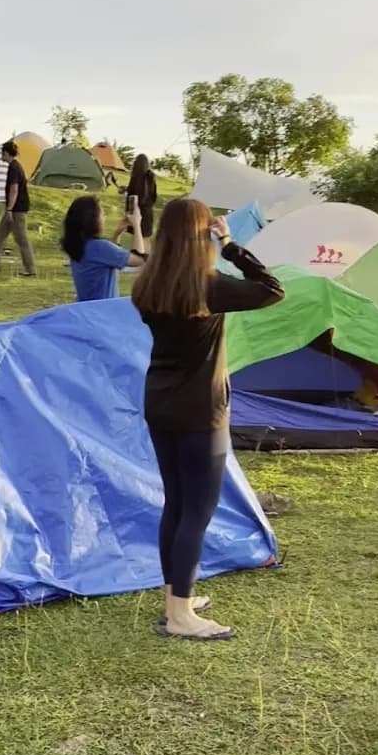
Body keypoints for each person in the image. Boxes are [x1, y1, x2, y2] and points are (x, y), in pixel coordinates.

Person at [132, 198, 284, 641]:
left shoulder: (148, 285)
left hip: (160, 404)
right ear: (203, 236)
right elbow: (272, 289)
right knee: (196, 511)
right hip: (201, 411)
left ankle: (175, 599)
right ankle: (180, 616)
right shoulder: (209, 285)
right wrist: (231, 245)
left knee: (177, 505)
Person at [61, 194, 147, 301]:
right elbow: (139, 259)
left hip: (86, 310)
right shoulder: (99, 247)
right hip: (103, 311)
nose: (104, 218)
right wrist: (137, 225)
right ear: (92, 219)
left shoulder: (78, 246)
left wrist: (117, 234)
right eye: (102, 214)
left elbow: (111, 260)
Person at [0, 140, 36, 276]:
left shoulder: (14, 168)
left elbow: (14, 190)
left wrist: (10, 209)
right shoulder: (14, 166)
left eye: (2, 153)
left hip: (17, 210)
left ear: (6, 153)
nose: (1, 156)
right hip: (11, 209)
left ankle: (30, 269)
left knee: (21, 239)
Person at [126, 153, 158, 252]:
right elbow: (154, 197)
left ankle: (137, 264)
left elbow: (131, 196)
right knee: (146, 242)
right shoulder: (151, 177)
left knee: (136, 242)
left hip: (135, 212)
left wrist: (129, 213)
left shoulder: (135, 178)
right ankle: (147, 264)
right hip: (148, 213)